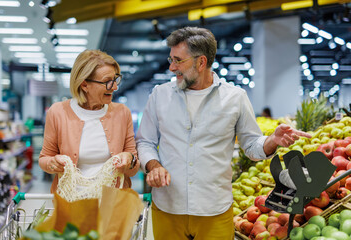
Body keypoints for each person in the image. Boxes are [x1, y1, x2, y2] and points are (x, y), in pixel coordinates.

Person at [136, 27, 311, 240]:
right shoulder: (159, 96)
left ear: (201, 62)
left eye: (178, 60)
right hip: (167, 208)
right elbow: (145, 142)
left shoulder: (235, 98)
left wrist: (272, 140)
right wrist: (153, 166)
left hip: (215, 210)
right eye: (171, 59)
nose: (172, 67)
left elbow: (252, 145)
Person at [39, 49, 139, 193]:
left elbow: (133, 167)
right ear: (84, 85)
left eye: (115, 79)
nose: (115, 87)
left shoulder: (122, 113)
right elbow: (44, 159)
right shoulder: (58, 112)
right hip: (71, 202)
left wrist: (130, 159)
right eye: (107, 82)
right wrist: (52, 163)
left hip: (112, 203)